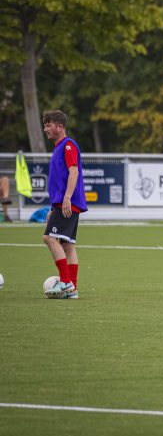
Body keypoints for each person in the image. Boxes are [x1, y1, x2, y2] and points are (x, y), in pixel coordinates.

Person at [41, 110, 87, 299]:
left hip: (67, 203)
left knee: (49, 238)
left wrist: (67, 198)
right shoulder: (58, 147)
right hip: (61, 204)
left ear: (60, 127)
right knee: (67, 244)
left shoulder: (68, 145)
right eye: (44, 126)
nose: (45, 129)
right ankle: (72, 289)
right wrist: (53, 207)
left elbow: (74, 172)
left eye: (48, 125)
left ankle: (66, 282)